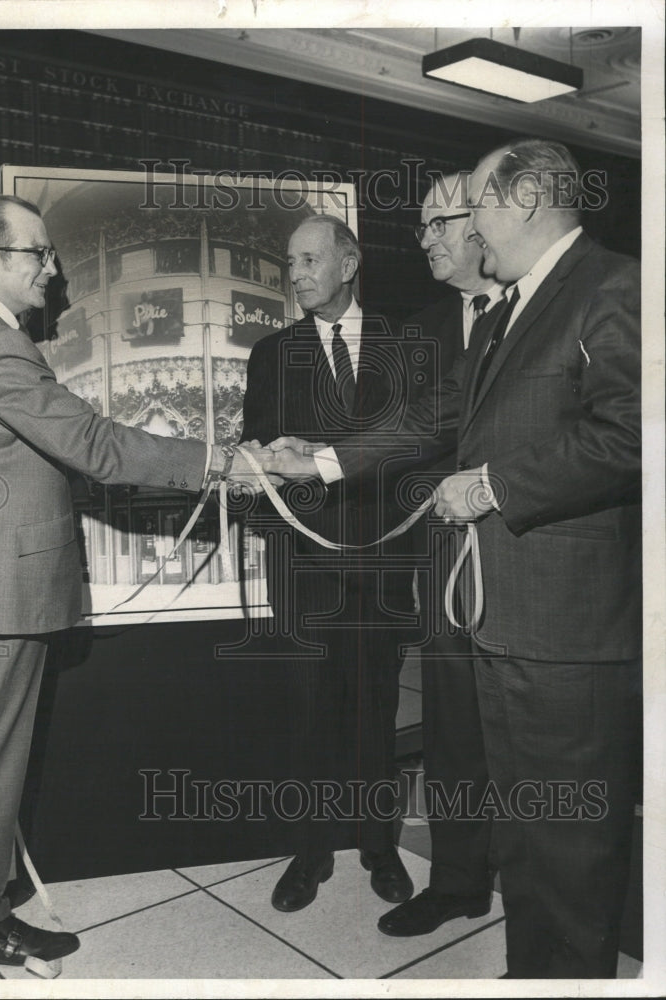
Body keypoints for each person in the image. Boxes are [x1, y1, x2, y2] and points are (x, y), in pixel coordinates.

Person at [264, 139, 641, 978]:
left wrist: (493, 485)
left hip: (564, 624)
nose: (465, 225)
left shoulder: (616, 286)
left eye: (475, 203)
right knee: (527, 825)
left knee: (566, 839)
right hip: (500, 616)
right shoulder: (515, 308)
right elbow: (435, 418)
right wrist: (322, 461)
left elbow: (632, 432)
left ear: (529, 198)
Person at [0, 194, 264, 972]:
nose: (52, 269)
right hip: (3, 580)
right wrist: (217, 461)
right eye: (37, 253)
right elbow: (93, 445)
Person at [241, 214, 415, 913]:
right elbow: (256, 449)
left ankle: (378, 845)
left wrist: (326, 454)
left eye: (310, 259)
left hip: (383, 557)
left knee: (376, 703)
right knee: (310, 708)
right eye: (290, 263)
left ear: (348, 264)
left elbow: (416, 446)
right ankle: (310, 852)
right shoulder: (271, 353)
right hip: (305, 563)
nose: (297, 273)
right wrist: (269, 458)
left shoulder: (405, 345)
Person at [378, 173, 504, 939]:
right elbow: (404, 437)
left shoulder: (547, 306)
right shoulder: (417, 331)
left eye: (433, 224)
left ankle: (549, 881)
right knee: (454, 727)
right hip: (445, 561)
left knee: (541, 735)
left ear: (479, 223)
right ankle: (458, 879)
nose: (422, 239)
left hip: (539, 557)